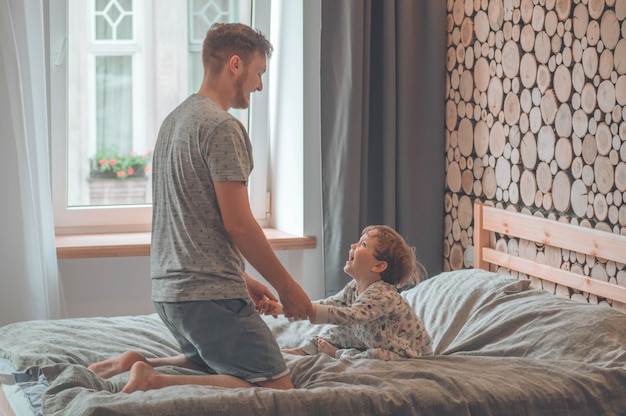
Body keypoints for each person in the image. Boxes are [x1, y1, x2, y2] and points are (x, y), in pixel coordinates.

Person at [88, 22, 313, 392]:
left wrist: (243, 280)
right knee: (278, 390)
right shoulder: (222, 128)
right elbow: (238, 223)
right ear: (236, 65)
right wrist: (287, 287)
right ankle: (153, 381)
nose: (259, 85)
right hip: (208, 298)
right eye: (258, 73)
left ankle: (141, 364)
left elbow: (190, 220)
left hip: (170, 296)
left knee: (211, 364)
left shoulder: (173, 122)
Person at [260, 225, 433, 360]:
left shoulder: (384, 295)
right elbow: (331, 304)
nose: (353, 245)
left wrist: (311, 312)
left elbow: (351, 315)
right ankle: (299, 351)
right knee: (332, 333)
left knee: (376, 356)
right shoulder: (354, 287)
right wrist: (283, 309)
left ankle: (338, 354)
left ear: (379, 266)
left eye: (363, 244)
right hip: (369, 337)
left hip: (402, 351)